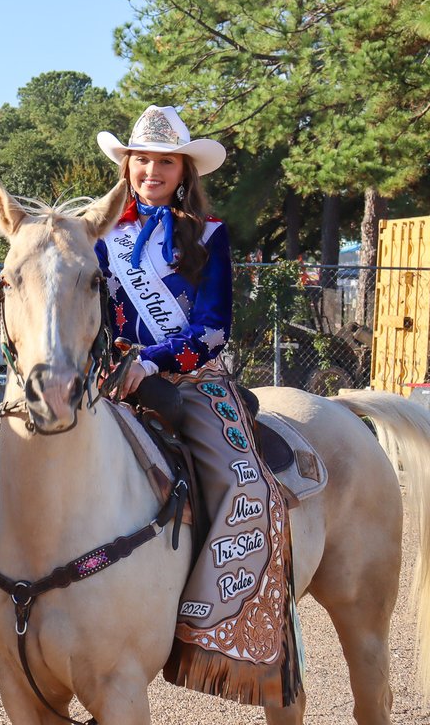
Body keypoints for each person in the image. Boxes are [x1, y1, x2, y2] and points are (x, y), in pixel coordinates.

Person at [94, 105, 302, 706]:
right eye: (142, 159)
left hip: (191, 378)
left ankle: (220, 620)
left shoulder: (209, 234)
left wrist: (152, 361)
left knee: (245, 486)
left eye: (165, 161)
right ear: (127, 166)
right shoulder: (101, 232)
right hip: (110, 375)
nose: (151, 171)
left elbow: (213, 328)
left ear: (184, 170)